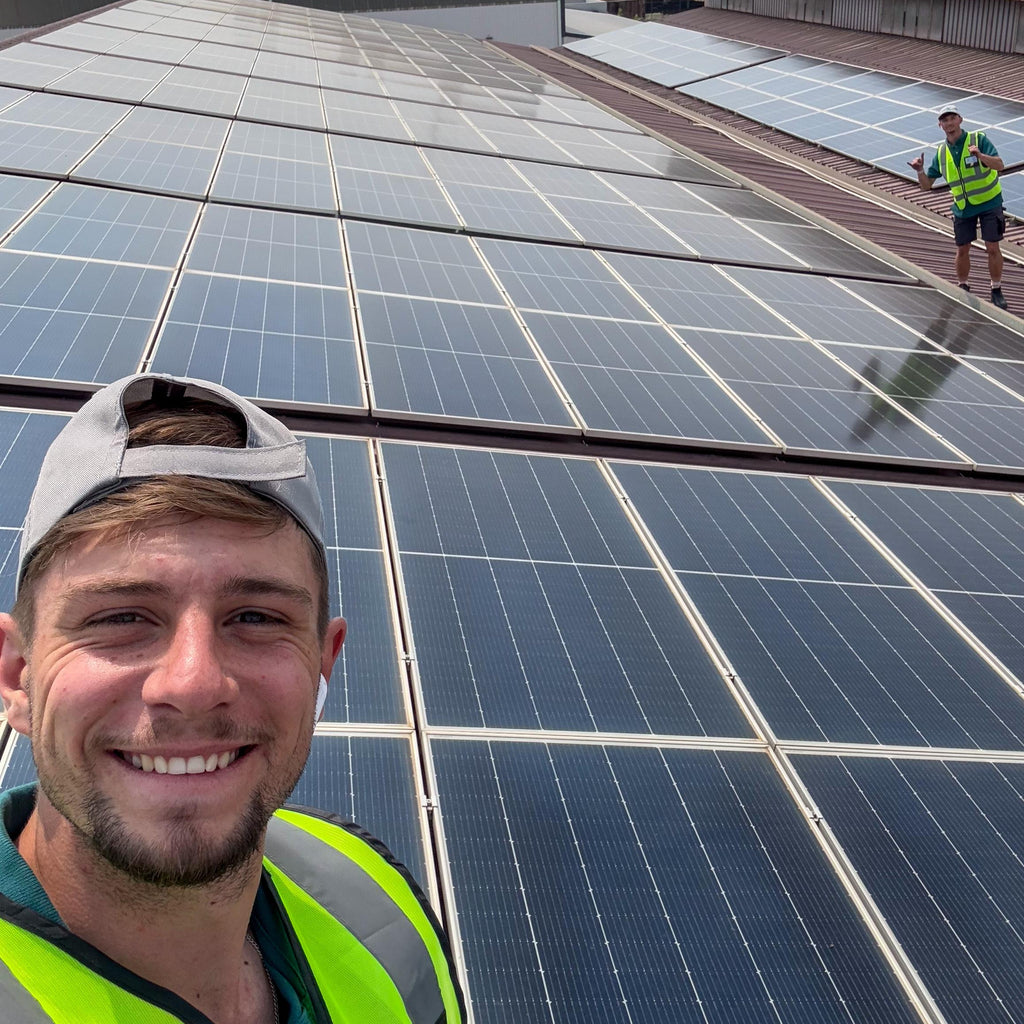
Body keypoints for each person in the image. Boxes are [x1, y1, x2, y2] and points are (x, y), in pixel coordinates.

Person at [0, 374, 465, 1023]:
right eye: (121, 618)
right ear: (17, 673)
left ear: (322, 663)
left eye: (256, 618)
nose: (192, 685)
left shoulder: (374, 894)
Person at [909, 104, 1008, 310]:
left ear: (960, 120)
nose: (949, 123)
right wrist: (919, 171)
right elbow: (927, 186)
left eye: (952, 118)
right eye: (945, 120)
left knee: (992, 248)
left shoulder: (977, 139)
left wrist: (981, 156)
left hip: (989, 202)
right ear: (940, 125)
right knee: (962, 249)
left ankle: (996, 289)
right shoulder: (942, 152)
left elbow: (1000, 165)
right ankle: (963, 286)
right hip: (963, 207)